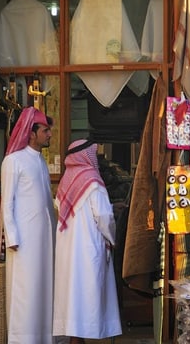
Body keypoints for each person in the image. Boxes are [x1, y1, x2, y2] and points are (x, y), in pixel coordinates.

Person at [53, 139, 122, 343]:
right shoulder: (93, 181)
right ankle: (78, 339)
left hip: (68, 250)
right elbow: (104, 217)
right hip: (89, 248)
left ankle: (76, 338)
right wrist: (113, 238)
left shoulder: (66, 181)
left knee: (73, 294)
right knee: (88, 294)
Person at [1, 107, 56, 344]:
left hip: (43, 240)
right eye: (45, 130)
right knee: (24, 293)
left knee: (43, 291)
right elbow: (7, 202)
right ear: (31, 133)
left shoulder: (41, 162)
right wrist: (12, 236)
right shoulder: (13, 161)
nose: (50, 135)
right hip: (22, 242)